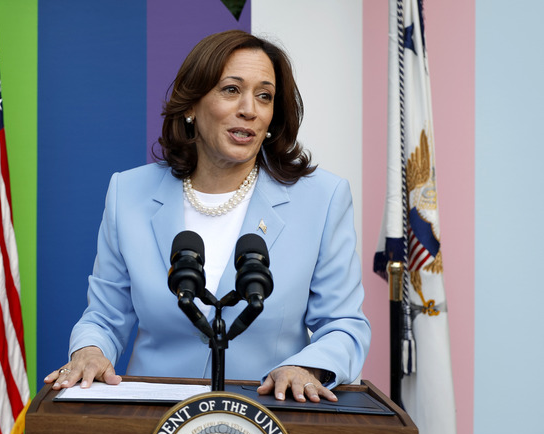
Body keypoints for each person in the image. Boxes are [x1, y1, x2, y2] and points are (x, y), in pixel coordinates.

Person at [44, 30, 370, 403]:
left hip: (269, 414)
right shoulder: (128, 193)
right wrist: (89, 351)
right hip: (156, 417)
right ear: (191, 105)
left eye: (264, 96)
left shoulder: (322, 199)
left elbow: (344, 325)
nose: (250, 108)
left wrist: (307, 367)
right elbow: (104, 317)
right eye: (232, 90)